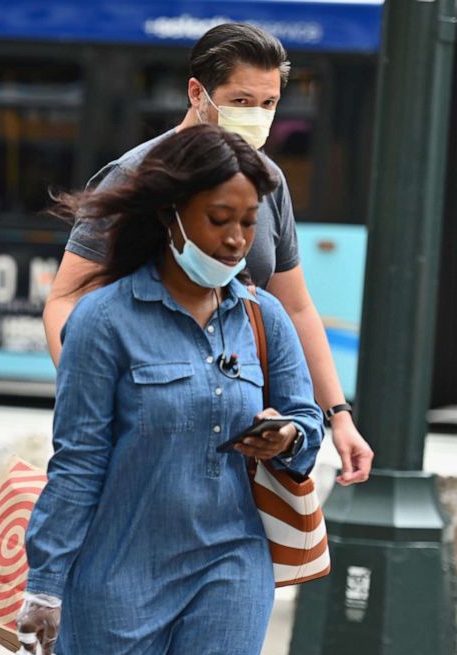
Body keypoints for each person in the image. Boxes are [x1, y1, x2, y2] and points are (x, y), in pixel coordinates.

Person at [18, 125, 324, 655]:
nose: (238, 240)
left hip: (231, 563)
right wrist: (45, 584)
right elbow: (77, 461)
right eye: (219, 220)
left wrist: (286, 436)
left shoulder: (263, 317)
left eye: (248, 223)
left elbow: (305, 423)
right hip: (118, 571)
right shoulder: (103, 320)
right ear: (171, 215)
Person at [42, 22, 372, 487]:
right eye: (241, 102)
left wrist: (338, 415)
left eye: (269, 104)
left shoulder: (268, 182)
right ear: (198, 93)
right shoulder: (135, 175)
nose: (256, 115)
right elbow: (66, 300)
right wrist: (95, 401)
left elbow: (296, 306)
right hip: (151, 427)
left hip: (242, 429)